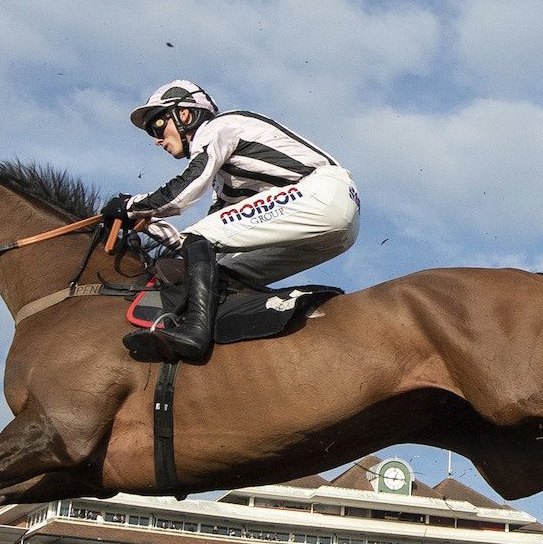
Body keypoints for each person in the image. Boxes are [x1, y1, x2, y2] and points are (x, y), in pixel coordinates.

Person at [103, 80, 360, 362]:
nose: (156, 139)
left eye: (157, 125)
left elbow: (184, 192)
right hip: (338, 228)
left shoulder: (217, 128)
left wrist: (131, 206)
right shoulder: (227, 179)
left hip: (322, 193)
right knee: (221, 268)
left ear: (184, 114)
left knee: (199, 238)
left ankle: (195, 333)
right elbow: (211, 243)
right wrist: (150, 223)